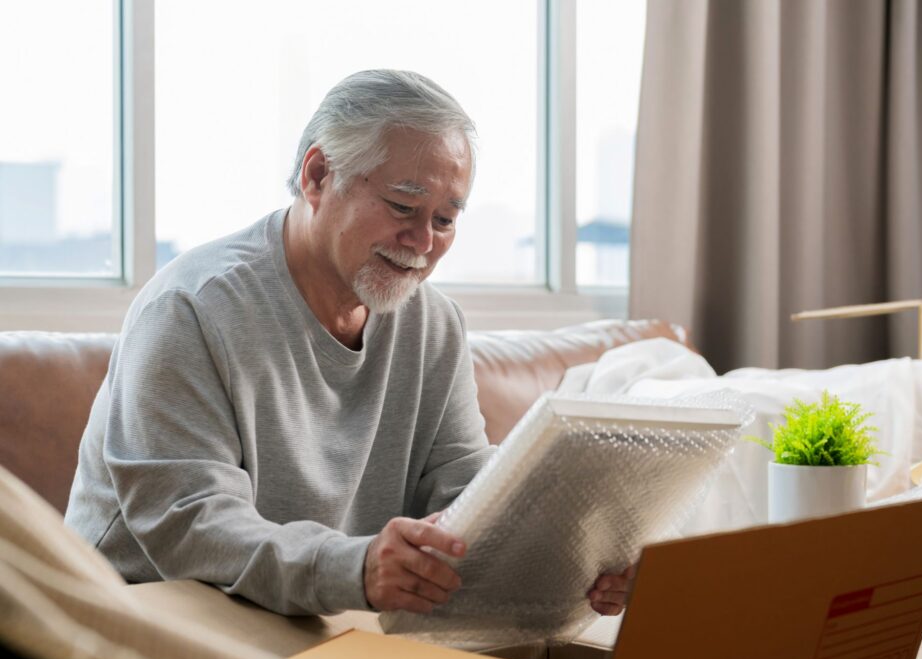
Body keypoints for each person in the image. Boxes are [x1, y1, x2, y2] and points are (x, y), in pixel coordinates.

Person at [66, 69, 630, 619]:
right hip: (141, 616)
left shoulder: (434, 327)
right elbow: (191, 526)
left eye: (445, 220)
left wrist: (576, 557)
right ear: (317, 176)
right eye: (403, 207)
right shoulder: (191, 308)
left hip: (316, 619)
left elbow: (462, 496)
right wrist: (355, 568)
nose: (423, 244)